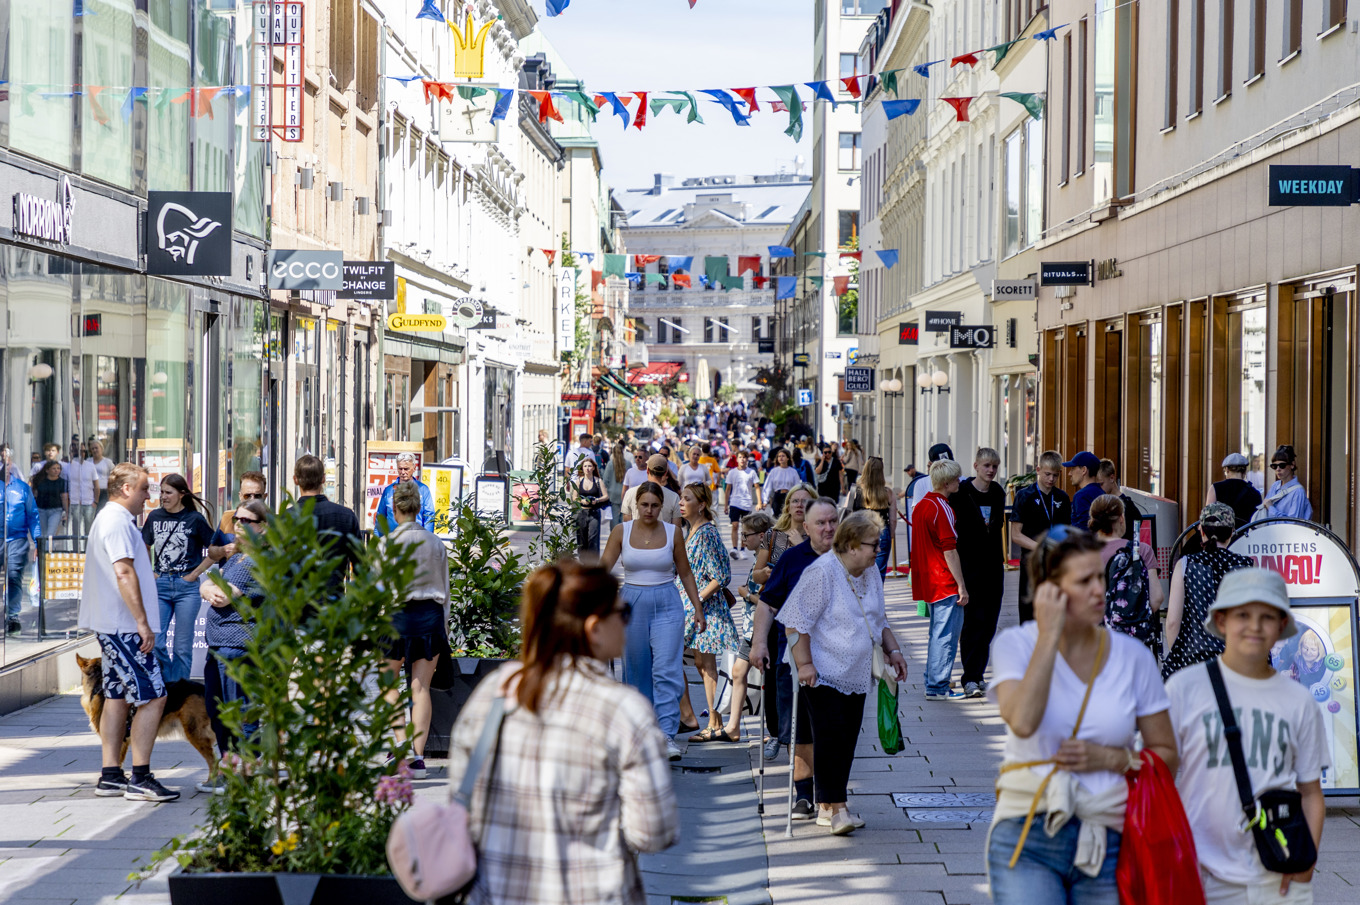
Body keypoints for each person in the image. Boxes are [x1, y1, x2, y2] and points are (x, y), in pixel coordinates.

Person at [446, 560, 679, 905]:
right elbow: (653, 831)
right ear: (594, 628)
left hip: (496, 892)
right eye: (622, 612)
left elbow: (462, 800)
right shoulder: (623, 710)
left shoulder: (495, 691)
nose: (626, 622)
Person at [987, 526, 1178, 904]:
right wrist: (1047, 636)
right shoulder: (1016, 645)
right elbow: (1022, 721)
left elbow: (1168, 754)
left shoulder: (1133, 657)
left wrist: (1112, 759)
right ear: (1050, 589)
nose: (1099, 590)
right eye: (1084, 580)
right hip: (1029, 830)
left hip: (1107, 834)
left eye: (1100, 577)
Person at [1166, 568, 1326, 905]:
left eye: (1267, 616)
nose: (1254, 626)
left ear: (1282, 626)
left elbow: (1310, 791)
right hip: (1201, 874)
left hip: (1278, 875)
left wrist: (1305, 862)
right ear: (1221, 621)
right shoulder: (1185, 688)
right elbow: (1159, 774)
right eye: (1242, 614)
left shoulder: (1299, 701)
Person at [778, 510, 909, 835]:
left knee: (847, 739)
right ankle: (838, 809)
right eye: (872, 544)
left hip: (857, 672)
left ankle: (828, 806)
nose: (878, 550)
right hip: (821, 672)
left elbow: (879, 619)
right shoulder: (822, 572)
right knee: (829, 738)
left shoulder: (870, 573)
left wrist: (893, 651)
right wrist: (805, 664)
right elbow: (795, 621)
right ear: (851, 545)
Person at [79, 463, 181, 802]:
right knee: (154, 696)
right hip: (124, 628)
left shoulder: (111, 519)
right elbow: (124, 572)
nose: (148, 497)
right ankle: (140, 776)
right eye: (143, 489)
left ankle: (111, 775)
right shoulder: (117, 521)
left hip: (115, 626)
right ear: (125, 489)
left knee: (117, 695)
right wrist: (141, 622)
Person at [748, 496, 839, 819]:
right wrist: (759, 644)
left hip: (839, 656)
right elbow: (767, 603)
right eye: (821, 523)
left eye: (833, 522)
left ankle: (831, 797)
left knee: (832, 729)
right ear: (806, 527)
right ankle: (804, 795)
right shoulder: (791, 559)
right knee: (800, 728)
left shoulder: (848, 557)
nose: (828, 528)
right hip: (795, 654)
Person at [601, 482, 704, 762]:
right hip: (631, 602)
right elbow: (601, 571)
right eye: (644, 504)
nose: (649, 510)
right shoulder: (621, 532)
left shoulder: (674, 532)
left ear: (662, 506)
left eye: (654, 505)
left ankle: (666, 734)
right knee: (636, 671)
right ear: (636, 504)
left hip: (667, 603)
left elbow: (685, 572)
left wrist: (697, 607)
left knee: (667, 670)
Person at [381, 482, 451, 781]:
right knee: (420, 688)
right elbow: (446, 591)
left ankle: (400, 747)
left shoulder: (386, 544)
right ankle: (419, 758)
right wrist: (445, 627)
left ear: (395, 509)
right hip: (429, 617)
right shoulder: (435, 543)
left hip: (396, 617)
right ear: (418, 509)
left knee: (388, 685)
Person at [199, 499, 269, 794]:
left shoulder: (257, 560)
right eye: (236, 519)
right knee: (218, 712)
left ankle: (245, 770)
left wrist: (211, 589)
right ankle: (229, 767)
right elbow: (205, 584)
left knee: (240, 712)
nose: (238, 525)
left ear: (262, 527)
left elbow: (223, 595)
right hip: (218, 646)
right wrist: (208, 587)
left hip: (237, 648)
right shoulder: (236, 559)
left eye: (247, 521)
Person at [749, 482, 816, 759]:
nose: (799, 505)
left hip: (812, 615)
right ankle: (779, 733)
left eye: (805, 501)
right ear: (787, 505)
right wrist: (767, 573)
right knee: (779, 675)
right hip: (780, 613)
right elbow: (756, 575)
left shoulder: (820, 535)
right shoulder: (774, 536)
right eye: (795, 500)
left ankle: (805, 734)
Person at [674, 482, 738, 743]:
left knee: (708, 666)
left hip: (706, 610)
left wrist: (696, 599)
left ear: (700, 505)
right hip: (697, 608)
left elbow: (721, 575)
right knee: (702, 665)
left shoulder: (706, 533)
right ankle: (714, 721)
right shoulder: (692, 531)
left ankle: (715, 723)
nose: (680, 503)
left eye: (686, 499)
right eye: (680, 498)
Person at [1163, 502, 1254, 679]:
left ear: (1201, 531)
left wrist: (1177, 661)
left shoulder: (1186, 565)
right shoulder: (1247, 566)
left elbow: (1173, 622)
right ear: (1232, 533)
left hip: (1194, 658)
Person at [142, 473, 216, 684]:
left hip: (186, 588)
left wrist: (194, 574)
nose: (163, 497)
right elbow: (144, 545)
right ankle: (169, 685)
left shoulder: (195, 519)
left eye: (168, 492)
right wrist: (151, 572)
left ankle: (179, 693)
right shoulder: (155, 517)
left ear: (182, 494)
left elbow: (215, 550)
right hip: (161, 585)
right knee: (156, 642)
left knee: (183, 647)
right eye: (161, 492)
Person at [950, 448, 1007, 699]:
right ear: (975, 466)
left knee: (989, 624)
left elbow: (997, 528)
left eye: (994, 466)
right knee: (973, 622)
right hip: (970, 565)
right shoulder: (962, 492)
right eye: (986, 465)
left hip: (993, 566)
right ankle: (969, 678)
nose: (991, 470)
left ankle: (979, 674)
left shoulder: (998, 492)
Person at [913, 459, 969, 701]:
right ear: (947, 482)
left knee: (937, 632)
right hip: (943, 579)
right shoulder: (942, 508)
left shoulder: (923, 505)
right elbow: (950, 550)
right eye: (956, 478)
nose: (959, 481)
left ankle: (934, 678)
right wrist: (961, 585)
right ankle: (937, 685)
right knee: (946, 635)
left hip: (929, 578)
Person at [1089, 495, 1163, 654]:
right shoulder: (1141, 550)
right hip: (1133, 644)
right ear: (1122, 518)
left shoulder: (1083, 553)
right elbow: (1156, 599)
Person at [724, 510, 775, 742]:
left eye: (747, 535)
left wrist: (746, 594)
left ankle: (772, 730)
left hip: (762, 628)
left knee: (766, 680)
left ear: (762, 535)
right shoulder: (759, 558)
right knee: (738, 672)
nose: (743, 540)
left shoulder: (771, 561)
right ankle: (733, 726)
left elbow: (770, 601)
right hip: (750, 627)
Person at [286, 455, 362, 608]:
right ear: (323, 479)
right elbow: (361, 567)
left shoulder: (284, 520)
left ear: (295, 480)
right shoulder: (346, 516)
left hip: (296, 608)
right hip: (334, 606)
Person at [1009, 451, 1071, 623]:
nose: (1051, 479)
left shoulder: (1062, 498)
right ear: (1038, 469)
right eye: (1047, 474)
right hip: (1032, 563)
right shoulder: (1024, 496)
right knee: (1029, 613)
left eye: (1055, 475)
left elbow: (1067, 531)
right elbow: (1015, 535)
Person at [196, 471, 268, 576]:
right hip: (227, 582)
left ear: (265, 496)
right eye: (247, 496)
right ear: (240, 496)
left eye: (257, 496)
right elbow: (211, 553)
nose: (252, 500)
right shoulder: (227, 517)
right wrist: (223, 550)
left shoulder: (275, 523)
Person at [847, 456, 901, 580]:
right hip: (881, 532)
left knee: (859, 573)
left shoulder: (855, 490)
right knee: (878, 574)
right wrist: (890, 535)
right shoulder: (888, 493)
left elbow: (847, 516)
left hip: (859, 532)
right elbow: (893, 519)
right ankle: (876, 598)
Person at [3, 463, 41, 635]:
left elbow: (33, 515)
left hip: (17, 539)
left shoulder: (22, 488)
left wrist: (37, 541)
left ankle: (13, 616)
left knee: (14, 576)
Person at [374, 452, 435, 535]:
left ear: (414, 468)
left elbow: (429, 516)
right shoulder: (388, 490)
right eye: (400, 468)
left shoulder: (423, 489)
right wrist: (377, 542)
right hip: (393, 541)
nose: (402, 472)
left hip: (417, 539)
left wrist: (427, 538)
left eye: (406, 469)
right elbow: (380, 517)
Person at [1255, 445, 1312, 522]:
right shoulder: (1275, 486)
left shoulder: (1298, 492)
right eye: (1274, 466)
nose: (1278, 469)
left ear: (1292, 465)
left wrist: (1271, 508)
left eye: (1282, 465)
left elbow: (1293, 524)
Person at [620, 455, 682, 526]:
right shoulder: (674, 497)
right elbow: (677, 529)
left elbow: (627, 526)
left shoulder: (630, 493)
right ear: (665, 473)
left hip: (637, 536)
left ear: (647, 470)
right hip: (663, 536)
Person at [1207, 452, 1263, 528]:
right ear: (1244, 471)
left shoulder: (1215, 488)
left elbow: (1208, 516)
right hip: (1245, 536)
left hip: (1221, 536)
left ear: (1226, 470)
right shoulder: (1254, 493)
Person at [724, 451, 763, 557]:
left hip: (747, 503)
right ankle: (734, 548)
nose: (742, 459)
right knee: (735, 525)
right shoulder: (732, 472)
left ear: (747, 459)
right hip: (734, 502)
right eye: (740, 457)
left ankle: (742, 549)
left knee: (745, 527)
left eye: (744, 457)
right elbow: (728, 489)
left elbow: (757, 487)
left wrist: (759, 502)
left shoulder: (751, 472)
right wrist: (726, 505)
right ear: (737, 459)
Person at [1095, 459, 1140, 542]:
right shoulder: (1104, 502)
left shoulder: (1128, 506)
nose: (1099, 488)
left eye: (1101, 484)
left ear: (1112, 478)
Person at [573, 457, 607, 554]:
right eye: (585, 466)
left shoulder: (598, 481)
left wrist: (596, 500)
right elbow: (574, 497)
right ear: (582, 468)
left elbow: (606, 496)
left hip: (594, 513)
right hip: (582, 513)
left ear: (593, 468)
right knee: (581, 540)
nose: (587, 468)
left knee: (593, 539)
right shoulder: (579, 481)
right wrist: (582, 501)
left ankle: (593, 564)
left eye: (589, 466)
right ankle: (583, 563)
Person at [32, 460, 68, 549]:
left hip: (56, 510)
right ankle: (44, 554)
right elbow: (34, 494)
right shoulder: (40, 481)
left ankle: (49, 554)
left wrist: (66, 511)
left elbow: (64, 497)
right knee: (43, 534)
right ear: (47, 470)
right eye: (54, 468)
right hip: (41, 510)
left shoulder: (62, 482)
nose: (56, 470)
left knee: (50, 534)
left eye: (58, 468)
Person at [1064, 451, 1103, 531]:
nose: (1069, 473)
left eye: (1073, 468)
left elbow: (1083, 529)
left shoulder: (1081, 495)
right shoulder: (1102, 493)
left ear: (1084, 470)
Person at [68, 445, 99, 539]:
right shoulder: (68, 466)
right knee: (75, 530)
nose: (81, 453)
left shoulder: (90, 466)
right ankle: (75, 551)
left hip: (89, 502)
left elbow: (96, 485)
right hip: (75, 502)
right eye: (78, 451)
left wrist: (95, 501)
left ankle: (87, 551)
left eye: (83, 451)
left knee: (88, 530)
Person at [602, 439, 628, 540]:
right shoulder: (628, 464)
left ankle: (614, 537)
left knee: (614, 518)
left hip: (612, 494)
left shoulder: (610, 464)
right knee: (623, 516)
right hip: (625, 494)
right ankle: (623, 536)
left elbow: (605, 480)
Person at [764, 448, 802, 517]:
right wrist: (764, 500)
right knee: (776, 517)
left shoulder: (793, 472)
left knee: (787, 517)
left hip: (788, 496)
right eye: (779, 456)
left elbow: (797, 487)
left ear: (787, 458)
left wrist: (798, 499)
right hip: (777, 496)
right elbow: (768, 486)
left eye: (783, 456)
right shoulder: (774, 471)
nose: (781, 458)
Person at [89, 440, 113, 508]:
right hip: (91, 491)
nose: (95, 450)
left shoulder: (107, 462)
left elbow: (114, 475)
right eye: (92, 449)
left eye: (96, 448)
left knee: (100, 510)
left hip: (104, 491)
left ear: (101, 449)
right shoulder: (88, 462)